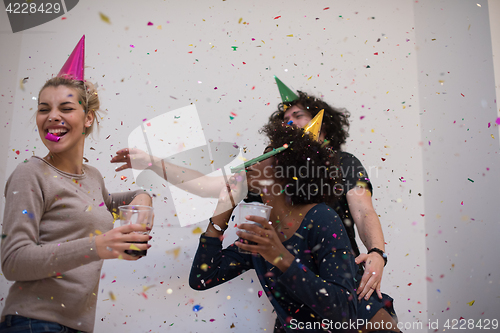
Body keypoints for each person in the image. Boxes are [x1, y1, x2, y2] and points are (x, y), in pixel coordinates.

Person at [110, 78, 387, 300]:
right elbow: (208, 186)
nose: (289, 120)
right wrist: (153, 163)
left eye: (298, 115)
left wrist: (377, 253)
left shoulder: (344, 164)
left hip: (343, 287)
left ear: (322, 125)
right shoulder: (268, 177)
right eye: (285, 118)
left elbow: (364, 212)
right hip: (295, 299)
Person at [0, 37, 152, 333]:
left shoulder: (92, 177)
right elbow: (13, 262)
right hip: (34, 324)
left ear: (88, 118)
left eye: (66, 108)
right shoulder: (29, 173)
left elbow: (115, 202)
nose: (52, 116)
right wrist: (97, 246)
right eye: (44, 109)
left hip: (78, 326)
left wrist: (144, 198)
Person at [189, 122, 399, 333]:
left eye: (266, 155)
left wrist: (280, 257)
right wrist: (220, 217)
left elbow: (344, 312)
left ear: (288, 167)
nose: (251, 162)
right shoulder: (261, 232)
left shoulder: (321, 217)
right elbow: (202, 278)